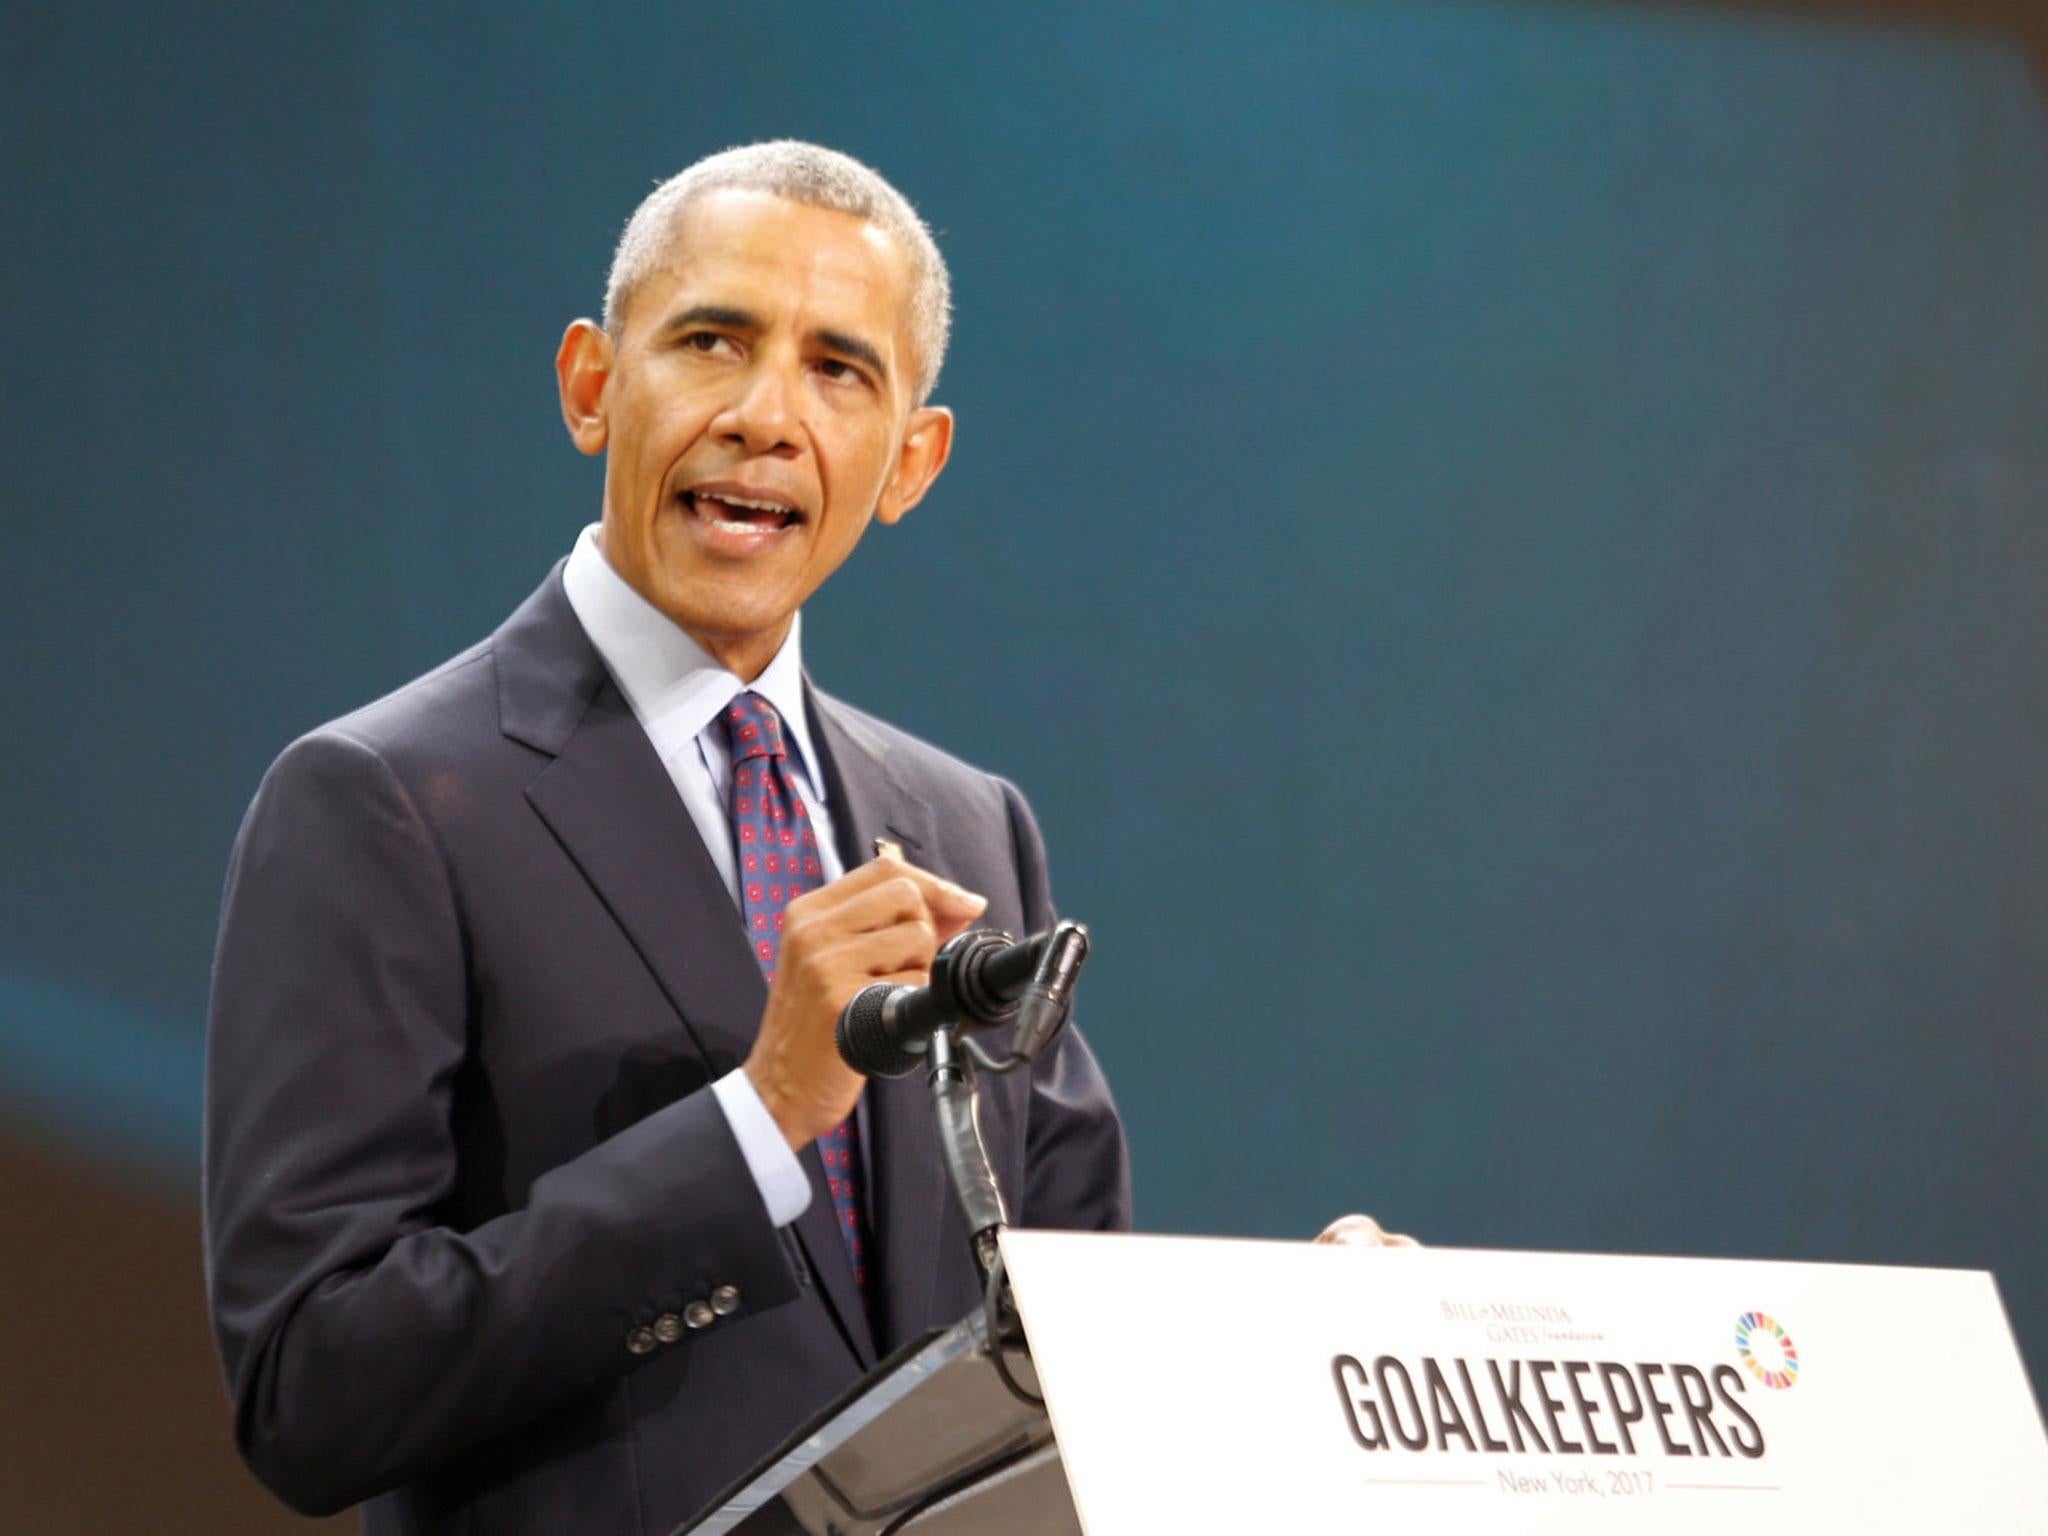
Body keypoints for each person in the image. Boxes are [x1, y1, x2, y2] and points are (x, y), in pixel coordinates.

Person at [203, 141, 1131, 1535]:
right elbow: (310, 1387)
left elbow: (1070, 1314)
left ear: (910, 461)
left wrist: (1292, 1337)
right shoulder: (379, 799)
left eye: (839, 368)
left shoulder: (966, 825)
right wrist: (758, 1124)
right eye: (713, 340)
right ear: (592, 385)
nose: (766, 416)